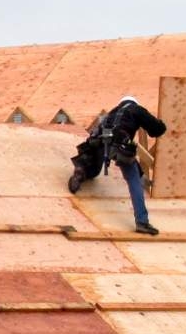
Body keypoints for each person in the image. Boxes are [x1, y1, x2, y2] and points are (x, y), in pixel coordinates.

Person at [68, 96, 167, 235]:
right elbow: (157, 130)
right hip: (120, 144)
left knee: (94, 170)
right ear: (134, 103)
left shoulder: (112, 113)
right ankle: (142, 222)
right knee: (133, 180)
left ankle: (81, 171)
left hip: (99, 141)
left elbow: (94, 134)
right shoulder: (136, 110)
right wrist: (162, 123)